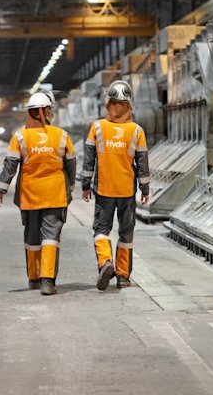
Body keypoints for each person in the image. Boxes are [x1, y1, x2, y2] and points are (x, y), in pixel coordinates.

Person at [0, 91, 76, 295]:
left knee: (32, 237)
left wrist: (1, 188)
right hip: (55, 195)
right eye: (49, 110)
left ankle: (33, 278)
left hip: (30, 196)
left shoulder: (20, 136)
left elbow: (10, 164)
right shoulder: (62, 135)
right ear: (43, 112)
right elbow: (71, 165)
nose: (51, 113)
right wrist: (70, 187)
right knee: (51, 237)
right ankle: (48, 281)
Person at [79, 80, 151, 291]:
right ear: (129, 104)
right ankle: (122, 276)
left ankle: (105, 262)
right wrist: (145, 189)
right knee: (126, 233)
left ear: (108, 103)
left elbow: (89, 160)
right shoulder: (137, 131)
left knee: (101, 229)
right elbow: (142, 163)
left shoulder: (98, 127)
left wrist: (85, 184)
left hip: (104, 189)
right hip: (127, 190)